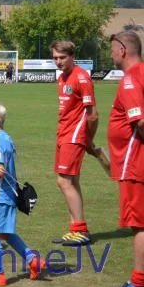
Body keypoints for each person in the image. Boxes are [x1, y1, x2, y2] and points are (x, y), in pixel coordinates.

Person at [0, 101, 46, 287]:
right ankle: (33, 260)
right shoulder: (5, 137)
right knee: (4, 232)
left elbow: (0, 171)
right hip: (8, 193)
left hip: (0, 194)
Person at [103, 31, 144, 287]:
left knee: (139, 224)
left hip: (135, 163)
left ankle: (138, 283)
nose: (110, 55)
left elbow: (140, 122)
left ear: (121, 49)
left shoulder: (130, 80)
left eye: (111, 50)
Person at [49, 40, 99, 246]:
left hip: (74, 135)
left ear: (72, 56)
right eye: (55, 58)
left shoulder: (81, 77)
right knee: (72, 182)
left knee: (64, 182)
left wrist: (88, 140)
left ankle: (81, 230)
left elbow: (93, 115)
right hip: (63, 133)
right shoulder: (62, 78)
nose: (58, 62)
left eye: (62, 57)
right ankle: (75, 230)